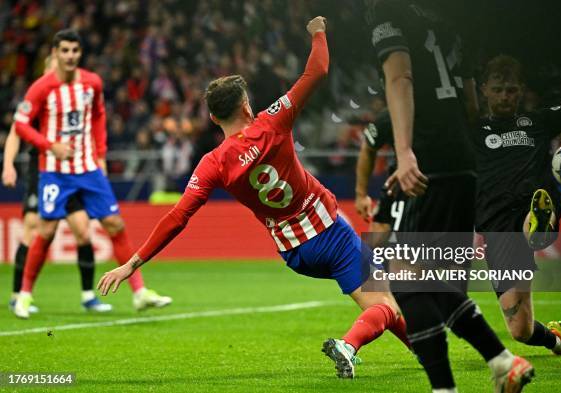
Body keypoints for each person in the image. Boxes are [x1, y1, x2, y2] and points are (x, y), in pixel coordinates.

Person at [97, 16, 413, 380]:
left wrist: (131, 265)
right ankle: (349, 345)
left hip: (294, 252)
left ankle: (419, 350)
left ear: (214, 117)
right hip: (327, 231)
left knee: (379, 301)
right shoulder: (271, 122)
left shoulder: (212, 164)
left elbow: (177, 217)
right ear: (246, 105)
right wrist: (318, 32)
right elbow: (319, 68)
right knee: (385, 302)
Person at [367, 1, 533, 391]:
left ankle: (465, 378)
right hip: (462, 163)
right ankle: (499, 363)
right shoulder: (446, 22)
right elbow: (472, 105)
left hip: (430, 163)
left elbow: (400, 78)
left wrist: (405, 152)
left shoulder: (383, 12)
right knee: (435, 285)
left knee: (405, 281)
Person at [12, 29, 172, 319]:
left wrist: (101, 153)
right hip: (55, 172)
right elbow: (21, 124)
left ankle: (139, 292)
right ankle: (24, 296)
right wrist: (50, 146)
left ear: (80, 53)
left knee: (114, 223)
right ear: (55, 53)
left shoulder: (92, 83)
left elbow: (99, 116)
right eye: (65, 51)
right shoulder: (41, 88)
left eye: (75, 50)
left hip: (88, 169)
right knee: (46, 231)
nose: (70, 56)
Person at [474, 55, 561, 355]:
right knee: (520, 330)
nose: (504, 95)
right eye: (498, 89)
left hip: (532, 206)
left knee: (533, 216)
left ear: (521, 90)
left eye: (511, 89)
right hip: (497, 231)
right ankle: (555, 339)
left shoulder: (537, 122)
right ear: (484, 89)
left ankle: (539, 221)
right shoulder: (473, 131)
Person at [3, 55, 111, 314]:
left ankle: (88, 297)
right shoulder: (39, 95)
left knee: (83, 231)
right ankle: (19, 294)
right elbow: (15, 133)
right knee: (33, 228)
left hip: (72, 173)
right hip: (42, 172)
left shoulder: (74, 97)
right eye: (54, 65)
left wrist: (97, 158)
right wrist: (8, 166)